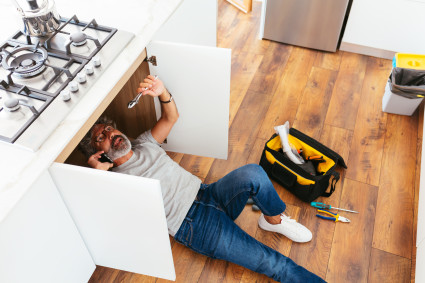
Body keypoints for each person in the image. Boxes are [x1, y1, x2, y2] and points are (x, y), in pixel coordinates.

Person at [79, 75, 325, 283]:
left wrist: (162, 91)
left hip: (208, 193)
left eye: (109, 129)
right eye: (101, 138)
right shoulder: (115, 180)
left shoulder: (144, 142)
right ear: (98, 153)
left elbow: (170, 118)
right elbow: (111, 222)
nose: (110, 134)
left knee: (253, 173)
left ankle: (273, 220)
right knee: (272, 263)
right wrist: (96, 178)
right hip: (194, 226)